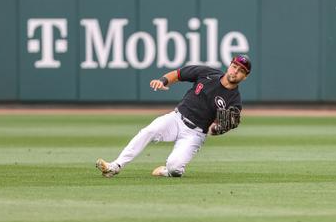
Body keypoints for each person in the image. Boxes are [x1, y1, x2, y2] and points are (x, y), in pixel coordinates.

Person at [96, 54, 251, 178]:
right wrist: (163, 81)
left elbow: (216, 127)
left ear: (245, 77)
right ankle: (115, 166)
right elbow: (178, 74)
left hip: (195, 133)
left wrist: (217, 129)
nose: (235, 71)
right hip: (176, 118)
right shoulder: (207, 73)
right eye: (234, 66)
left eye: (241, 70)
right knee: (148, 131)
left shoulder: (234, 101)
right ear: (229, 65)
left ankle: (166, 171)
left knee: (175, 168)